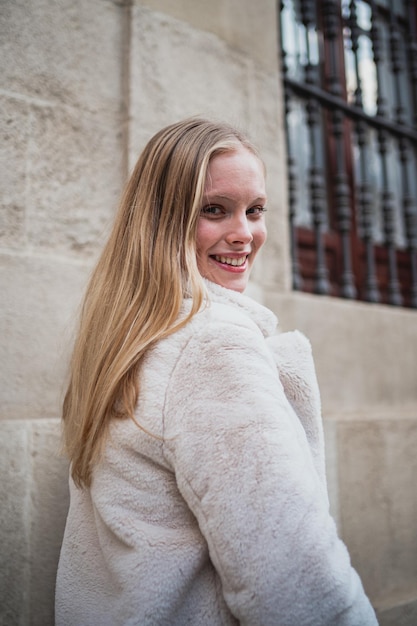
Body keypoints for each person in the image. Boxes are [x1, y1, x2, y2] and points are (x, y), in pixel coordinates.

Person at [55, 117, 378, 625]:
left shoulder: (126, 341)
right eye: (214, 210)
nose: (245, 234)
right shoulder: (211, 346)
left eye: (255, 210)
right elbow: (295, 581)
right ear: (162, 221)